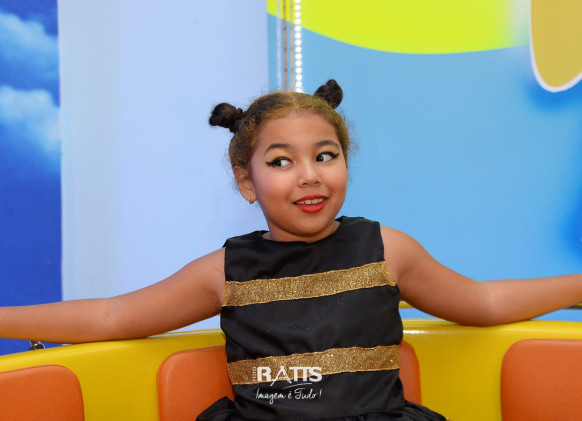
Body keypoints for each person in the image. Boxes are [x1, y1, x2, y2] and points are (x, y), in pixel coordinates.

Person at [0, 80, 580, 420]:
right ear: (246, 182)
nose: (309, 175)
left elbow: (481, 301)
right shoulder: (225, 271)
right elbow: (111, 315)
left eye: (326, 155)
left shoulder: (388, 250)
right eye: (281, 161)